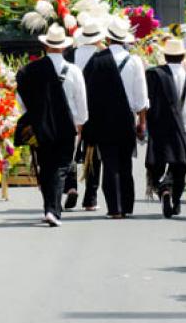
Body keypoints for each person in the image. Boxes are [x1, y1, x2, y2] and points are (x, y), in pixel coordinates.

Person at [16, 23, 88, 227]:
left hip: (42, 125)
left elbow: (21, 98)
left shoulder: (32, 70)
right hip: (68, 125)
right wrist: (81, 123)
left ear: (46, 46)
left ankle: (49, 207)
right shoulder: (73, 71)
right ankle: (52, 211)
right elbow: (81, 100)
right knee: (61, 167)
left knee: (46, 165)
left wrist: (33, 116)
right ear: (64, 47)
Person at [84, 15, 148, 219]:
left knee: (110, 162)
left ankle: (115, 207)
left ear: (108, 38)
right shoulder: (134, 61)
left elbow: (88, 92)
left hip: (103, 119)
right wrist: (142, 121)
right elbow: (141, 95)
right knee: (125, 162)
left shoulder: (96, 60)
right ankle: (127, 205)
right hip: (126, 118)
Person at [145, 37, 186, 218]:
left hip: (160, 127)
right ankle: (175, 199)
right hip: (184, 127)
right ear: (182, 56)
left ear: (166, 56)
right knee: (180, 166)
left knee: (158, 163)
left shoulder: (155, 74)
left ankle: (163, 188)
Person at [62, 20, 106, 210]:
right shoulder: (104, 57)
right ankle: (91, 197)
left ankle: (71, 186)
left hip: (71, 109)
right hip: (96, 110)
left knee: (69, 150)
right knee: (92, 154)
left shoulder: (70, 54)